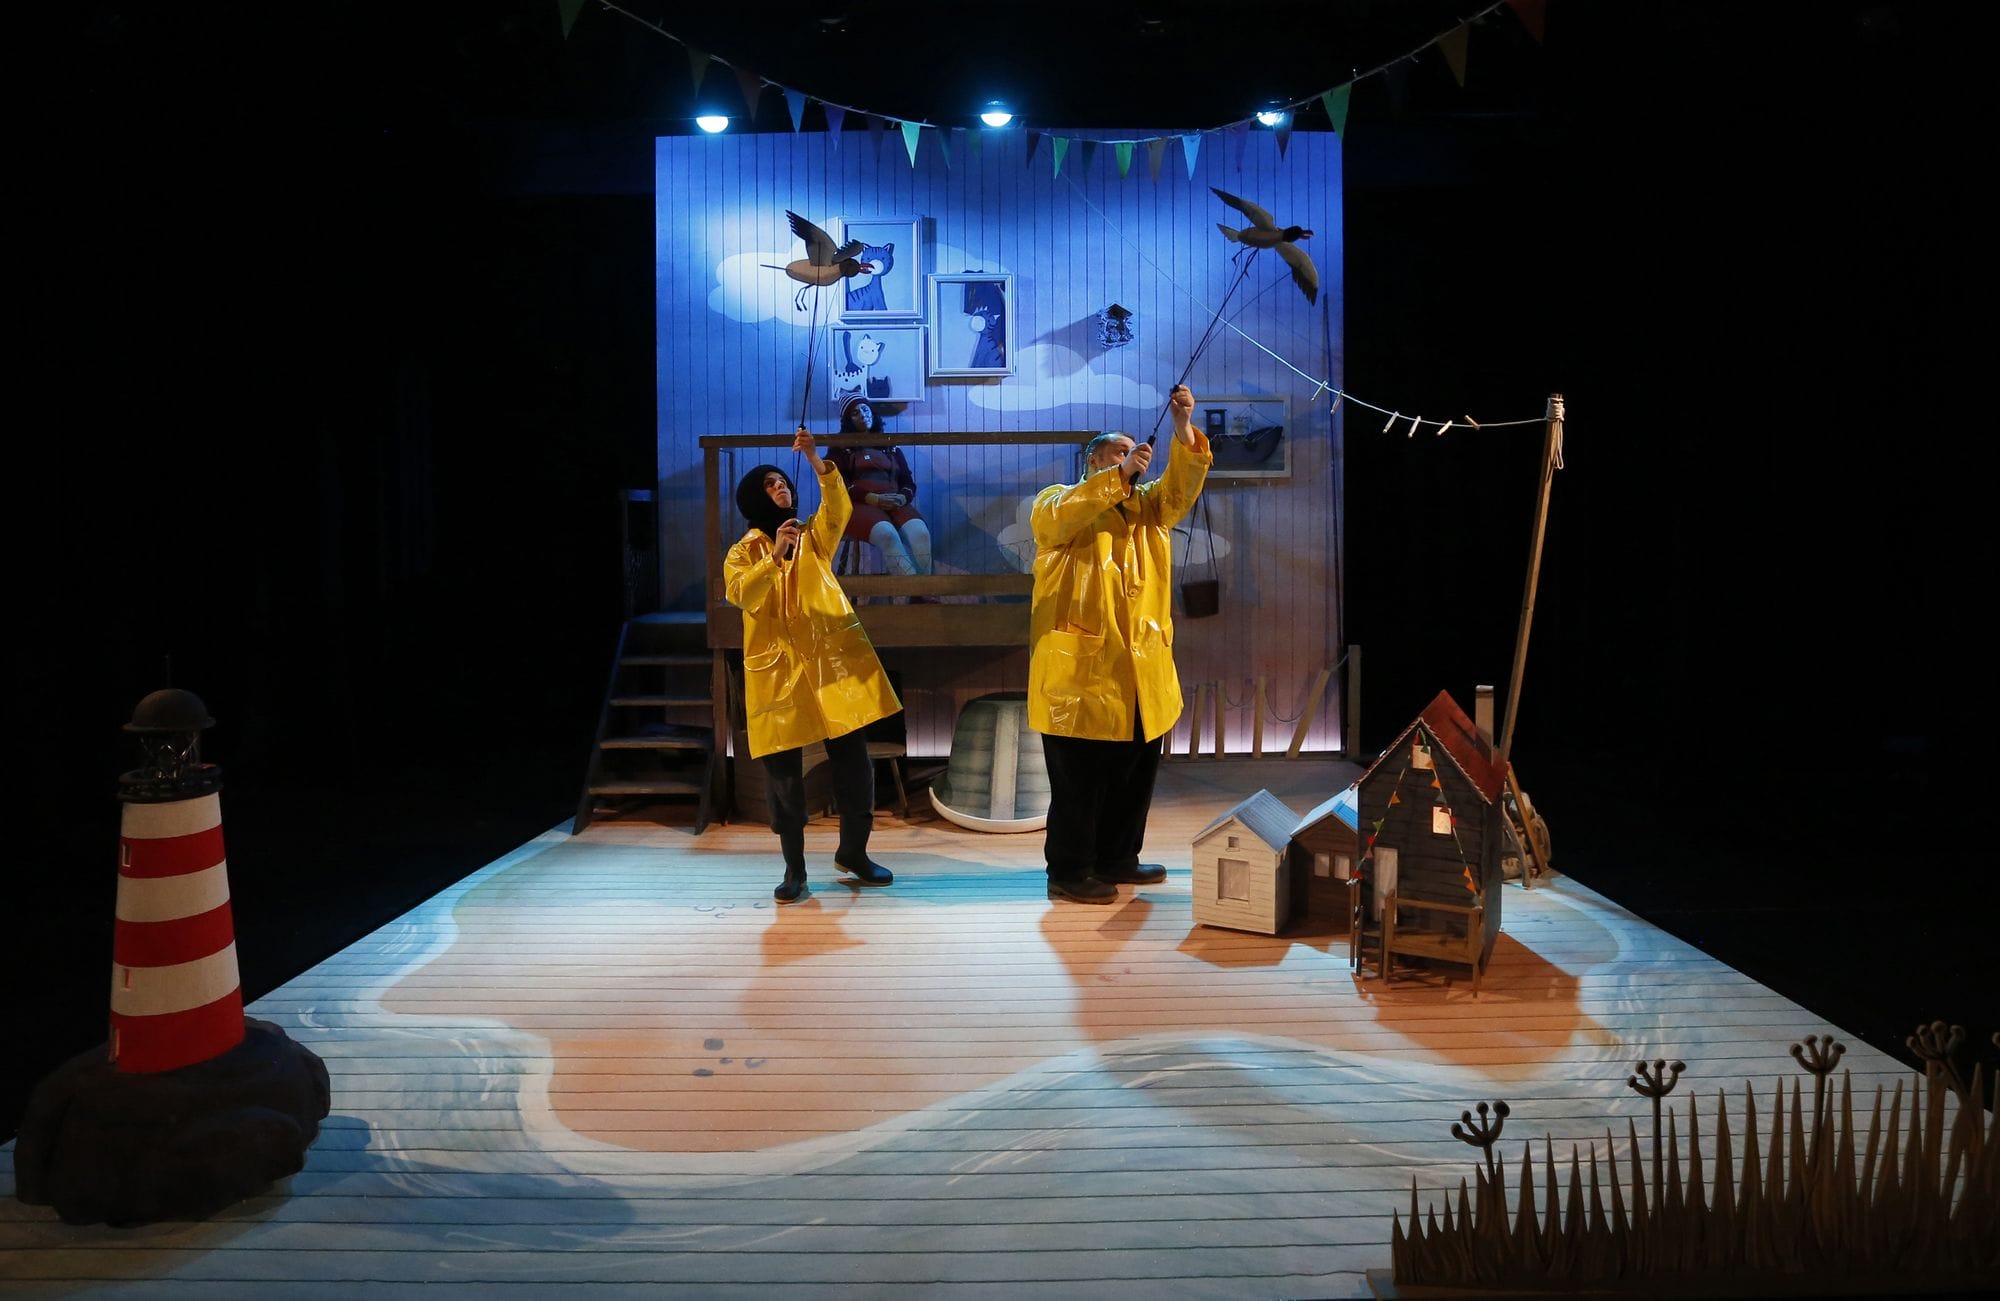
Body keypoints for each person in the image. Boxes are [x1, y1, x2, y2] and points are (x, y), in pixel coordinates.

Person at [1028, 384, 1212, 904]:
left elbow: (1182, 486)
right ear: (1093, 460)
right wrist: (1120, 476)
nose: (1133, 458)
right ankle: (1069, 871)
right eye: (1118, 452)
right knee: (1078, 780)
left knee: (1134, 772)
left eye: (1135, 452)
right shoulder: (1057, 501)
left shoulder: (1150, 510)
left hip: (1140, 669)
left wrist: (1182, 427)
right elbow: (1060, 517)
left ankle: (1117, 858)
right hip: (1080, 674)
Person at [724, 426, 902, 903]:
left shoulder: (812, 537)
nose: (780, 487)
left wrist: (815, 459)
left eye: (783, 481)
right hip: (778, 674)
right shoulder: (742, 552)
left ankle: (854, 853)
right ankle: (794, 869)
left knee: (855, 766)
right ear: (753, 498)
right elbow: (741, 594)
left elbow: (838, 508)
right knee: (783, 777)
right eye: (769, 484)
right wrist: (774, 556)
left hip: (829, 670)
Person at [826, 396, 933, 582]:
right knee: (887, 535)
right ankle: (918, 592)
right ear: (847, 420)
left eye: (865, 409)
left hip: (894, 502)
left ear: (872, 413)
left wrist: (902, 498)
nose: (862, 415)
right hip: (858, 505)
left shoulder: (890, 446)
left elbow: (908, 482)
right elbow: (839, 485)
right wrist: (872, 498)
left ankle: (926, 589)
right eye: (855, 413)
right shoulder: (839, 448)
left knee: (921, 534)